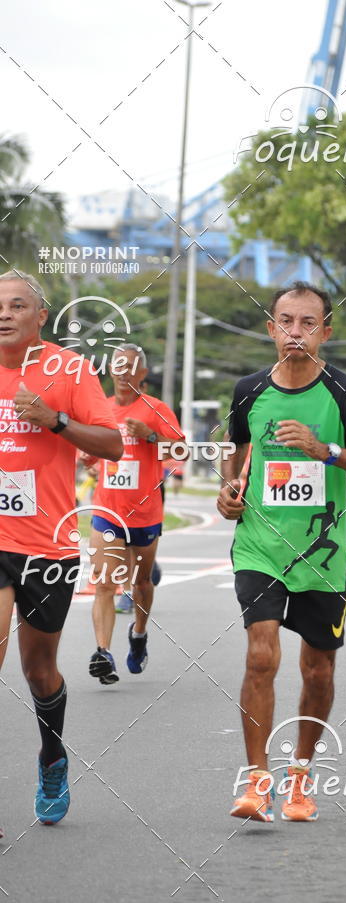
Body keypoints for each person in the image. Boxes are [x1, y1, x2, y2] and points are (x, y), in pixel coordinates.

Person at [217, 281, 346, 822]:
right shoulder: (247, 390)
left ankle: (300, 776)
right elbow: (238, 455)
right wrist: (229, 492)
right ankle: (255, 781)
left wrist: (325, 451)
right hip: (260, 547)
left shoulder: (344, 391)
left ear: (325, 332)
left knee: (317, 671)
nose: (295, 332)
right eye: (286, 321)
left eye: (307, 323)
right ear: (270, 329)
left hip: (323, 552)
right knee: (260, 656)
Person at [0, 271, 122, 827]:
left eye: (17, 305)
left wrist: (55, 420)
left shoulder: (67, 370)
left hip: (47, 545)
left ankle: (52, 757)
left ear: (39, 317)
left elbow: (112, 442)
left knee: (38, 666)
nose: (4, 313)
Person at [83, 344, 186, 684]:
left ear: (142, 373)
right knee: (104, 583)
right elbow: (94, 447)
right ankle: (102, 652)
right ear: (109, 371)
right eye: (118, 366)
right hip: (108, 511)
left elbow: (183, 450)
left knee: (142, 582)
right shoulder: (102, 408)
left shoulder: (155, 409)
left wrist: (152, 436)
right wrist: (90, 459)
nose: (123, 372)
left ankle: (139, 633)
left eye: (131, 367)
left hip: (145, 514)